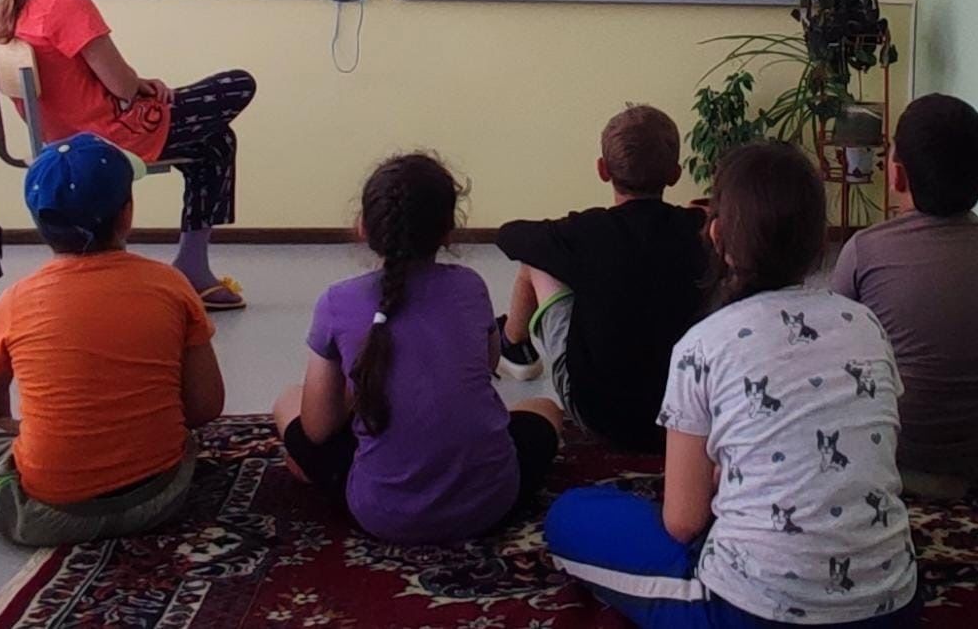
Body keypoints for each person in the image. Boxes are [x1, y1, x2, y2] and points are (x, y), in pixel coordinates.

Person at [545, 142, 921, 628]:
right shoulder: (866, 323)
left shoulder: (703, 344)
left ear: (717, 234)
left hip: (745, 613)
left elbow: (683, 522)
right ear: (820, 240)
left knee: (571, 514)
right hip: (892, 609)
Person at [0, 134, 224, 547]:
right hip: (164, 495)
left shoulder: (16, 301)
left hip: (50, 516)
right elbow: (207, 406)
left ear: (38, 223)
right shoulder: (171, 284)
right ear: (127, 214)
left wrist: (6, 432)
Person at [0, 0, 256, 311]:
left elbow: (99, 81)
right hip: (111, 133)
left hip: (66, 136)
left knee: (216, 142)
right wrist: (144, 89)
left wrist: (142, 88)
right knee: (239, 83)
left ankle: (193, 265)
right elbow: (122, 86)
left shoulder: (21, 5)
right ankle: (192, 265)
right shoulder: (67, 2)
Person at [272, 153, 561, 544]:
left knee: (290, 400)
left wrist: (361, 390)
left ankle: (317, 471)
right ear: (448, 231)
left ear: (363, 227)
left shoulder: (336, 302)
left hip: (382, 513)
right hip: (491, 503)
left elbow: (318, 428)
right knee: (544, 408)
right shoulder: (470, 286)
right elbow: (488, 364)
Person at [829, 94, 978, 500]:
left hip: (896, 446)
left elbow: (834, 340)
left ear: (898, 175)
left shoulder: (865, 249)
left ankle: (912, 477)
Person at [494, 105, 707, 454]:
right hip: (684, 411)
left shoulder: (584, 232)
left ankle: (512, 343)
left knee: (537, 260)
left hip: (596, 413)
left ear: (602, 170)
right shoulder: (697, 230)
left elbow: (510, 236)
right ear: (675, 174)